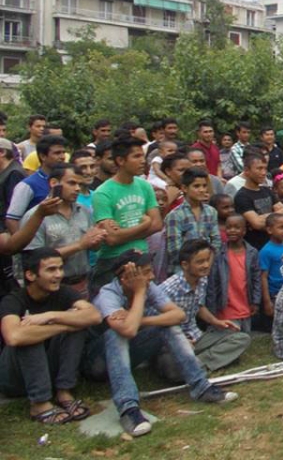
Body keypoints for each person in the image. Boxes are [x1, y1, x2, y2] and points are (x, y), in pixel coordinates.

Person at [83, 250, 238, 437]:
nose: (153, 276)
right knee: (116, 334)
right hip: (96, 363)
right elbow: (128, 331)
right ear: (127, 277)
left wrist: (140, 319)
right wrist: (139, 292)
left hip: (128, 354)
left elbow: (178, 315)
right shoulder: (108, 294)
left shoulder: (149, 286)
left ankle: (200, 386)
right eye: (147, 272)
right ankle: (128, 409)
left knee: (169, 325)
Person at [0, 247, 101, 424]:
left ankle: (64, 391)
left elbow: (94, 316)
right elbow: (13, 337)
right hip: (14, 377)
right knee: (29, 336)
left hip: (47, 369)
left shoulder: (62, 292)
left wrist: (50, 316)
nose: (59, 275)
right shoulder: (14, 299)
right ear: (31, 275)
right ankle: (39, 403)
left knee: (77, 325)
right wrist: (62, 326)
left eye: (60, 268)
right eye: (51, 270)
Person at [156, 240, 251, 382]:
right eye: (200, 262)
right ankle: (205, 362)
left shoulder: (202, 280)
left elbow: (199, 306)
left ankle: (198, 364)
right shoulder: (168, 289)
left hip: (196, 336)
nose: (206, 265)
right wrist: (180, 340)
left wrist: (216, 322)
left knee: (241, 338)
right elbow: (155, 325)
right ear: (185, 265)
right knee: (170, 369)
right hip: (172, 342)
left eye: (207, 260)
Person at [88, 137, 162, 297]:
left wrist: (123, 233)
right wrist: (143, 225)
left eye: (142, 156)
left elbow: (157, 224)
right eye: (136, 156)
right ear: (121, 160)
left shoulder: (144, 186)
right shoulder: (103, 193)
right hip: (112, 262)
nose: (143, 161)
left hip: (141, 257)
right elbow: (111, 239)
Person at [18, 164, 105, 297]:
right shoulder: (36, 216)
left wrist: (98, 238)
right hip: (50, 289)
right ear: (54, 183)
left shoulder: (84, 211)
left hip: (82, 283)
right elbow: (33, 259)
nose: (77, 189)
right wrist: (79, 245)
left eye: (79, 184)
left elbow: (93, 248)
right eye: (71, 183)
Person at [205, 214, 260, 334]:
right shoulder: (219, 253)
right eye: (229, 227)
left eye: (237, 227)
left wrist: (255, 301)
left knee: (244, 337)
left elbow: (256, 278)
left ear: (244, 230)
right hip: (226, 305)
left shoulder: (252, 252)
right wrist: (212, 308)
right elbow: (213, 283)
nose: (232, 231)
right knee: (228, 337)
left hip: (245, 303)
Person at [6, 134, 69, 234]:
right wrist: (22, 245)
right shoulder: (28, 185)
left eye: (63, 152)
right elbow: (12, 219)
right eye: (57, 153)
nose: (62, 157)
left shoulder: (68, 182)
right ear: (43, 156)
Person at [163, 167, 219, 277]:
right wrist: (196, 264)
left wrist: (207, 263)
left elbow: (216, 241)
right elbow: (174, 250)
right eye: (196, 186)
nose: (202, 190)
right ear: (184, 188)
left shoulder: (211, 212)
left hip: (207, 270)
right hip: (182, 273)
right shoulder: (175, 215)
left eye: (204, 186)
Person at [258, 213, 283, 330]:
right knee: (281, 324)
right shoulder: (266, 251)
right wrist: (267, 301)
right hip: (276, 293)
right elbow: (263, 277)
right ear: (269, 230)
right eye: (281, 227)